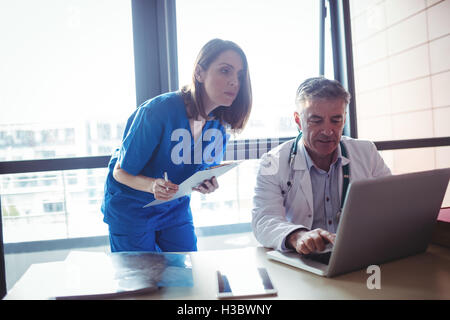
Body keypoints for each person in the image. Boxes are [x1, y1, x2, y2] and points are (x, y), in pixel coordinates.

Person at [101, 39, 252, 252]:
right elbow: (120, 173)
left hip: (174, 210)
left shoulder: (219, 125)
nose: (234, 82)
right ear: (199, 73)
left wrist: (206, 183)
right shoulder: (157, 112)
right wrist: (152, 186)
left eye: (239, 74)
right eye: (225, 70)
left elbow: (197, 173)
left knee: (186, 276)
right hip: (132, 210)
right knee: (141, 282)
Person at [252, 76, 390, 255]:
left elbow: (390, 205)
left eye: (335, 120)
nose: (327, 131)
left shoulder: (367, 152)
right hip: (303, 260)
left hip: (357, 254)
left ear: (345, 119)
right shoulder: (272, 162)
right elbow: (264, 219)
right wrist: (298, 236)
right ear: (298, 120)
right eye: (316, 120)